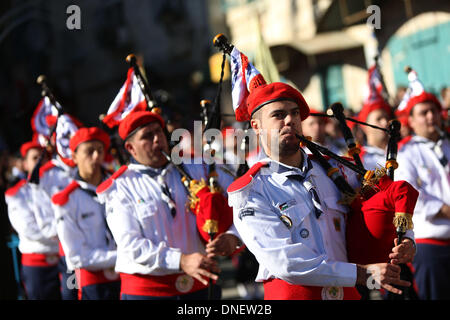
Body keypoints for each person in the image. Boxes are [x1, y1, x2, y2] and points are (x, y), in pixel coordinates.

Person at [227, 81, 415, 300]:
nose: (290, 120)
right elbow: (284, 263)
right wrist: (361, 274)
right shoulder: (251, 191)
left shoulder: (339, 171)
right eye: (278, 115)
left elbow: (386, 202)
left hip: (349, 292)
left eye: (294, 113)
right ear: (257, 126)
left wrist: (407, 239)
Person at [96, 111, 241, 300]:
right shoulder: (120, 187)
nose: (157, 139)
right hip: (149, 293)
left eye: (159, 132)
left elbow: (242, 202)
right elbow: (130, 245)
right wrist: (181, 261)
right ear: (131, 148)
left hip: (201, 286)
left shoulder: (199, 168)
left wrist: (233, 236)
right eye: (147, 136)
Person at [51, 127, 120, 300]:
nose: (96, 156)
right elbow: (76, 257)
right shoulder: (67, 200)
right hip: (95, 285)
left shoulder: (119, 187)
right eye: (89, 151)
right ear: (74, 157)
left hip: (127, 279)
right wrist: (125, 256)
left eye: (100, 150)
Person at [395, 90, 450, 300]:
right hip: (430, 243)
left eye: (434, 111)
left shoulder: (447, 144)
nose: (430, 116)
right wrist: (444, 210)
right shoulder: (406, 151)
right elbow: (407, 192)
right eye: (423, 112)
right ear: (410, 120)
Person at [5, 141, 61, 300]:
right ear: (25, 164)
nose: (40, 161)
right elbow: (29, 229)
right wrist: (64, 236)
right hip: (38, 265)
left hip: (65, 262)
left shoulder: (61, 187)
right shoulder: (17, 194)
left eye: (43, 157)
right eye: (35, 157)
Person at [357, 100, 392, 170]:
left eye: (387, 118)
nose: (385, 123)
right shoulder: (360, 160)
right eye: (378, 119)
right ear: (365, 126)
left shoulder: (403, 149)